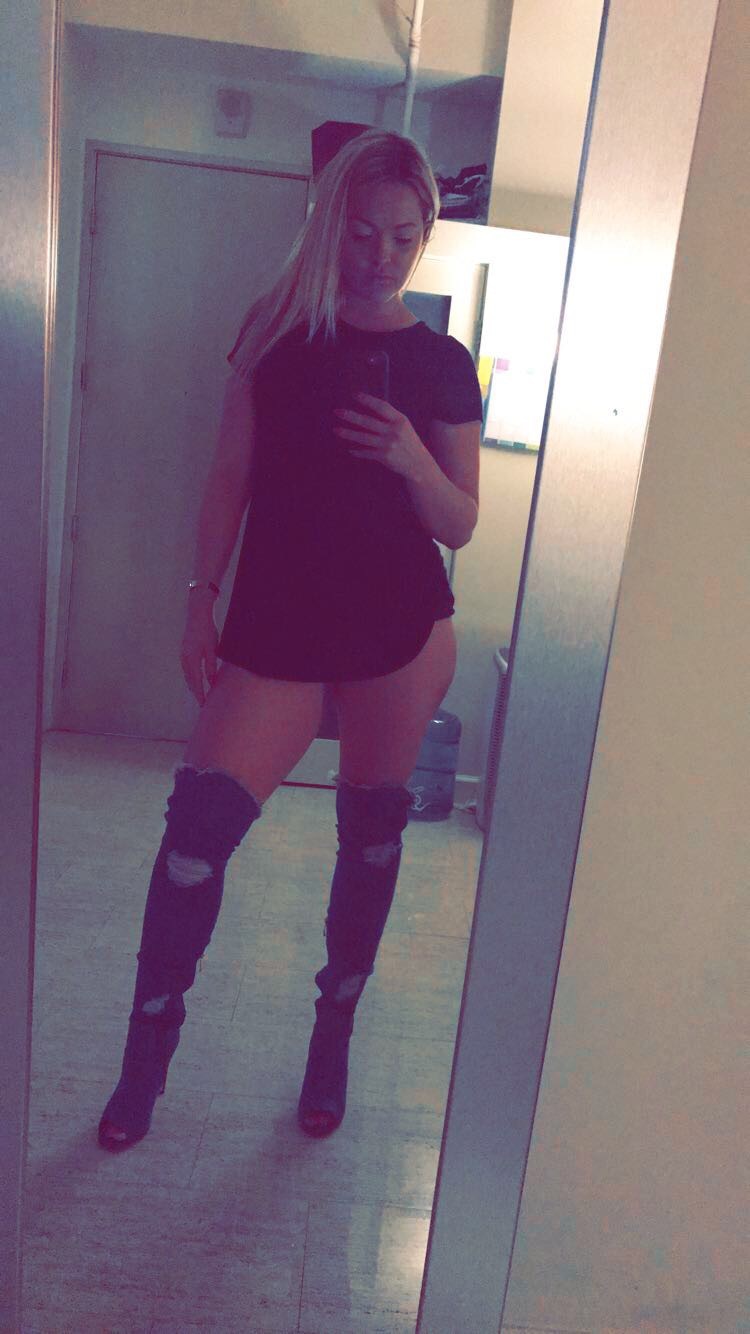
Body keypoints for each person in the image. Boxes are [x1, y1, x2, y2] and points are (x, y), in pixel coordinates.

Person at [97, 128, 483, 1151]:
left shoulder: (441, 364)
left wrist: (410, 457)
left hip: (401, 632)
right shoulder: (274, 330)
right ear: (328, 223)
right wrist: (199, 600)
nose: (381, 255)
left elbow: (460, 523)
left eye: (403, 235)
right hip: (277, 627)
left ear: (424, 234)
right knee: (192, 845)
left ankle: (331, 1038)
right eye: (361, 231)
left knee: (372, 842)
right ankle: (144, 1060)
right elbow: (229, 475)